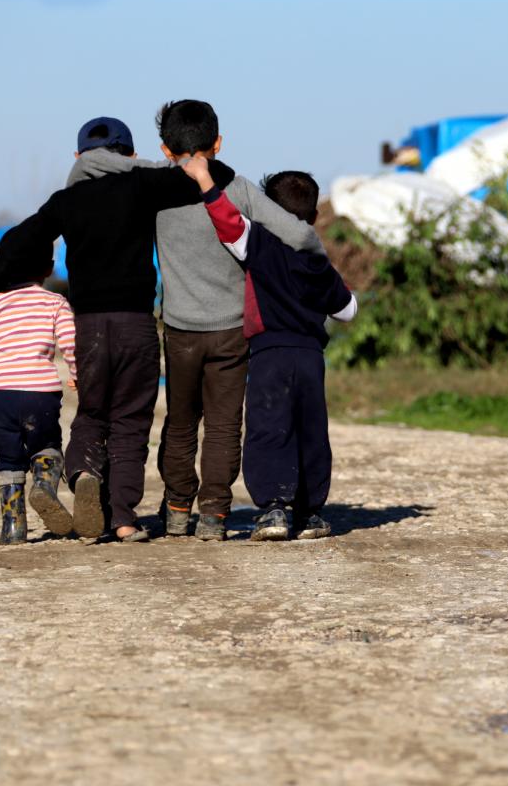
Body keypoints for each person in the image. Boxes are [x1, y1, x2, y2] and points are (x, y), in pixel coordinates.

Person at [74, 100, 325, 541]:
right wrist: (319, 267)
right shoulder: (239, 189)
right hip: (232, 331)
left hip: (180, 330)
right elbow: (300, 234)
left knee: (181, 423)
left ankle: (176, 511)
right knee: (224, 427)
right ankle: (214, 516)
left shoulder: (154, 185)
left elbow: (103, 167)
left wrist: (95, 161)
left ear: (165, 149)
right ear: (219, 142)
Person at [0, 116, 235, 542]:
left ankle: (84, 473)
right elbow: (215, 174)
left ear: (78, 156)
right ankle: (123, 519)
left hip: (88, 327)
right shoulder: (142, 184)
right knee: (131, 421)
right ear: (131, 155)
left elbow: (19, 239)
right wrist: (166, 166)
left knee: (93, 414)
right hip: (135, 324)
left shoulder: (66, 200)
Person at [182, 159, 357, 540]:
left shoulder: (259, 243)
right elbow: (347, 309)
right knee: (311, 431)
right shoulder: (317, 260)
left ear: (267, 210)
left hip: (268, 354)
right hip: (310, 357)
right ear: (313, 216)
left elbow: (228, 221)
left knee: (268, 428)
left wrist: (205, 180)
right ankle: (310, 514)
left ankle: (274, 509)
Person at [0, 239, 77, 544]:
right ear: (49, 269)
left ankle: (13, 527)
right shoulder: (55, 302)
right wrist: (78, 374)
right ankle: (43, 488)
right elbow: (71, 344)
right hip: (40, 396)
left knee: (7, 458)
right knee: (46, 445)